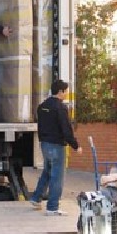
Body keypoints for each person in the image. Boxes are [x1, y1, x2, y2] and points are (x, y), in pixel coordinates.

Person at [29, 79, 83, 216]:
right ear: (61, 91)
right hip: (57, 146)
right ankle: (52, 207)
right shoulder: (60, 107)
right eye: (66, 92)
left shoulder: (42, 106)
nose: (66, 94)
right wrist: (76, 146)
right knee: (57, 176)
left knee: (47, 171)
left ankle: (36, 198)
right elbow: (66, 129)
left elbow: (40, 126)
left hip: (45, 144)